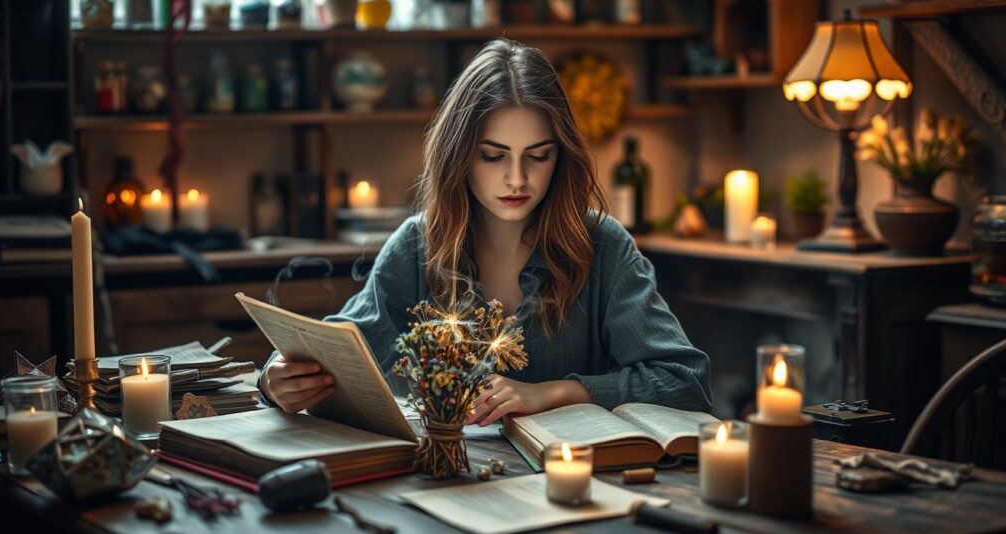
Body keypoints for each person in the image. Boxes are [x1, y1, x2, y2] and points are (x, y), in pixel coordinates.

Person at [259, 38, 712, 425]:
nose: (518, 179)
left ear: (562, 156)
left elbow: (685, 380)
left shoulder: (603, 245)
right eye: (493, 156)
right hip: (450, 484)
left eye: (538, 156)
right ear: (459, 156)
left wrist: (553, 393)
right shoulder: (419, 244)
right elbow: (336, 346)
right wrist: (275, 379)